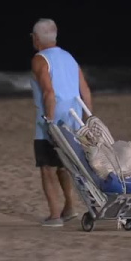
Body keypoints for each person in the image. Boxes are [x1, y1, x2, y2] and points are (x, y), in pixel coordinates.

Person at [30, 18, 93, 227]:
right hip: (73, 121)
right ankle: (69, 207)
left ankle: (55, 215)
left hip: (52, 121)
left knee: (47, 167)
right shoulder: (69, 57)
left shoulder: (40, 59)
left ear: (36, 39)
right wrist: (87, 121)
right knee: (64, 166)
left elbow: (49, 92)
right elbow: (85, 91)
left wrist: (48, 121)